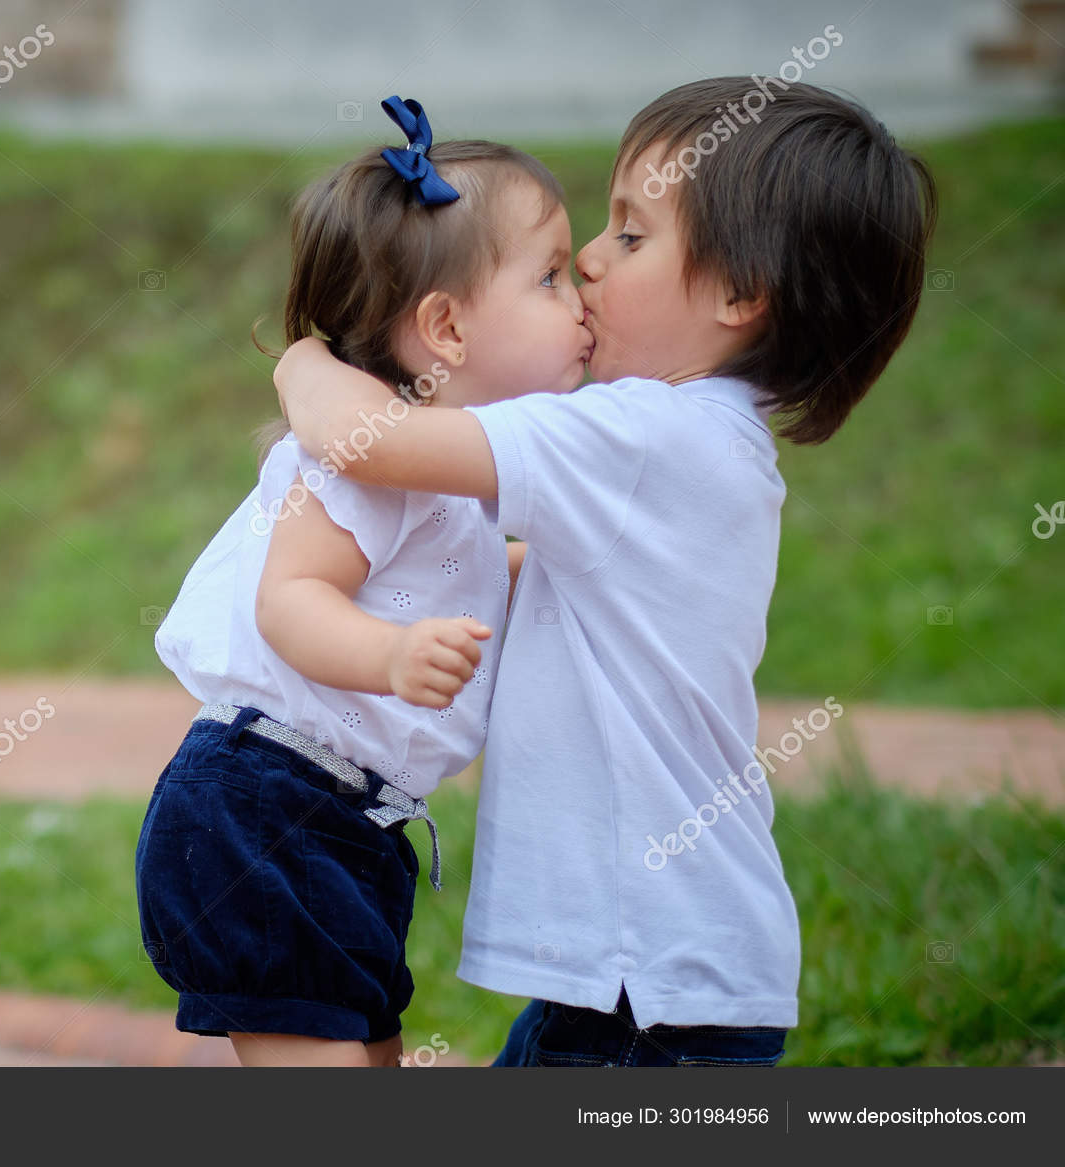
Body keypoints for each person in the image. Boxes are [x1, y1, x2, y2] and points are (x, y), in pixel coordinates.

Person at [274, 78, 937, 1066]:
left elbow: (368, 443)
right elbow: (541, 588)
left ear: (739, 293)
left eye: (631, 235)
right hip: (654, 975)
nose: (588, 256)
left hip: (647, 985)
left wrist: (303, 364)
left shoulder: (642, 435)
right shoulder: (704, 446)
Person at [135, 97, 592, 1066]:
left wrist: (573, 569)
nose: (581, 297)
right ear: (446, 327)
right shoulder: (361, 461)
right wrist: (389, 654)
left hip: (343, 817)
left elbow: (471, 579)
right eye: (550, 276)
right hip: (263, 807)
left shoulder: (435, 471)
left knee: (369, 1058)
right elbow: (290, 598)